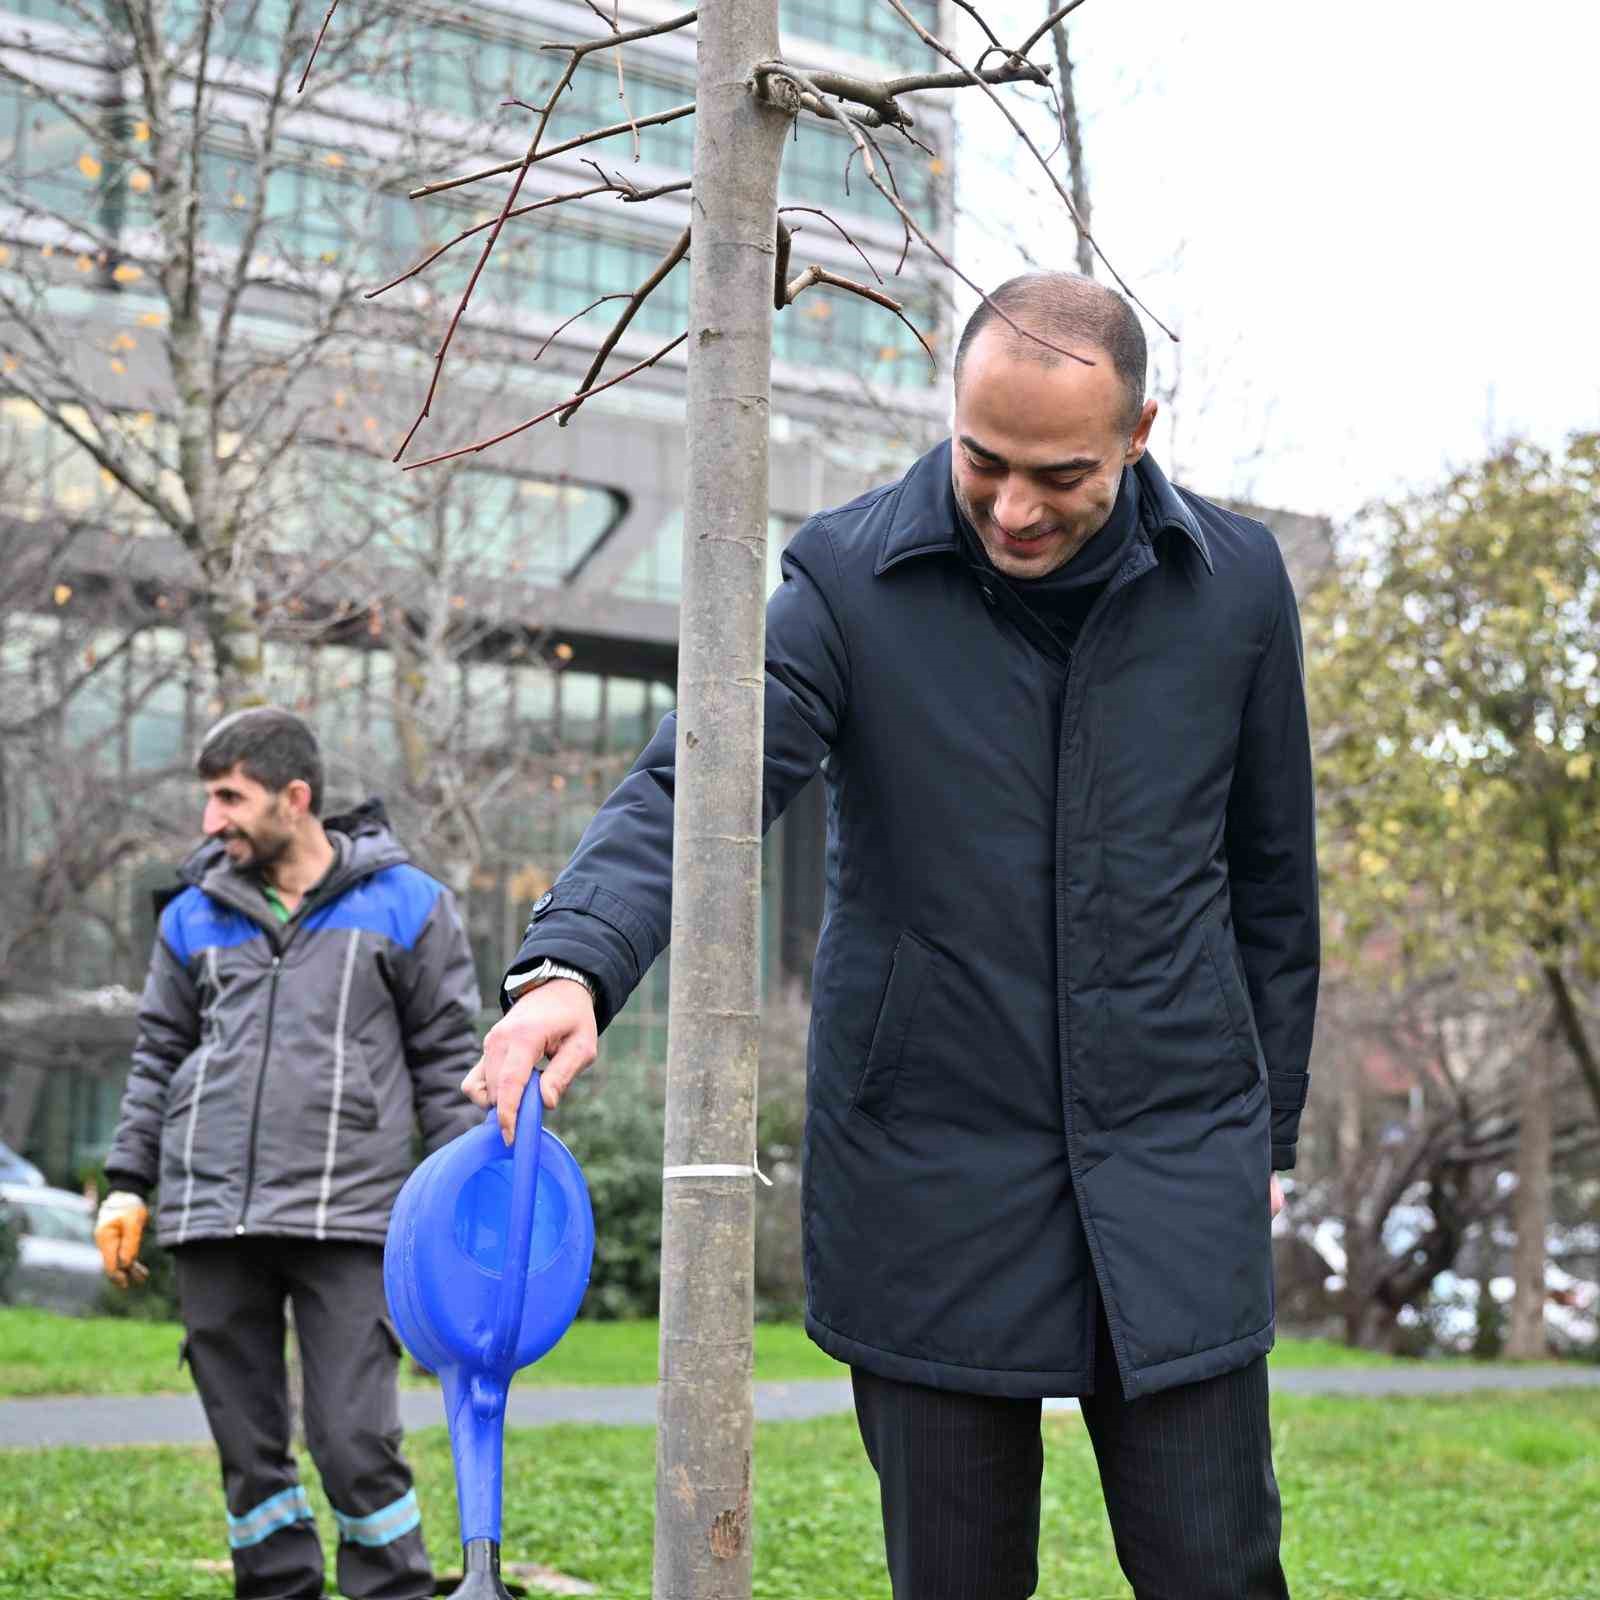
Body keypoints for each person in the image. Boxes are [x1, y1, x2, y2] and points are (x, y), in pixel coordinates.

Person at [465, 272, 1320, 1599]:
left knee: (1218, 1571)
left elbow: (1272, 881)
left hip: (1175, 1157)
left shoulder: (1236, 585)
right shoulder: (849, 579)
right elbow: (699, 784)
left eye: (1060, 474)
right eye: (984, 461)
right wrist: (572, 962)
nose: (1014, 507)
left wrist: (1265, 1137)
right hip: (930, 1170)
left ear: (1139, 433)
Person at [96, 707, 482, 1600]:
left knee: (354, 1440)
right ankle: (275, 1588)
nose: (211, 820)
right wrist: (127, 1184)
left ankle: (392, 1589)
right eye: (209, 798)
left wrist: (461, 1209)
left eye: (230, 798)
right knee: (247, 1448)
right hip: (211, 1214)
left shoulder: (409, 904)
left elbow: (446, 1063)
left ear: (295, 797)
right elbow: (157, 1054)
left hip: (348, 1215)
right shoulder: (191, 914)